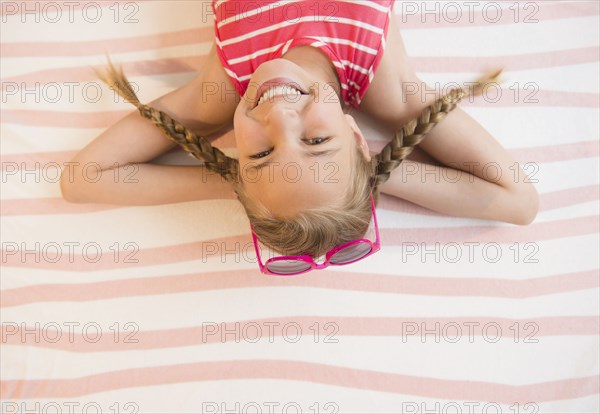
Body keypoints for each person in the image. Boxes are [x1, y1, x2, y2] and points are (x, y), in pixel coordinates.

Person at [60, 0, 539, 274]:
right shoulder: (388, 88)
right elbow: (518, 201)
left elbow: (83, 178)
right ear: (356, 136)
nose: (280, 116)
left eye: (261, 154)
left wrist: (240, 181)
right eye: (317, 142)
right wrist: (366, 174)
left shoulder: (219, 91)